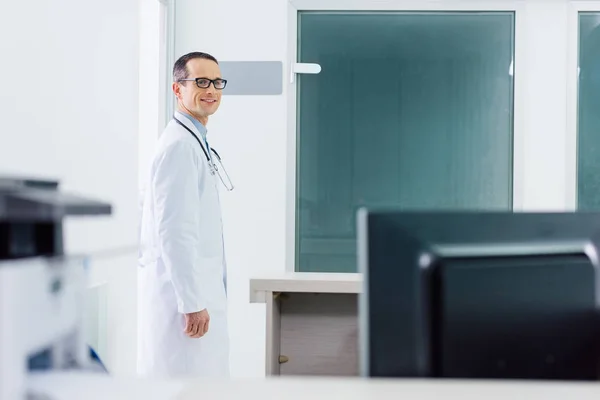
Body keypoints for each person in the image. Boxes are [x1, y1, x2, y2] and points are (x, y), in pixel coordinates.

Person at [137, 51, 231, 378]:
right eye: (201, 81)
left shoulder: (193, 141)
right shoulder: (179, 145)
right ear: (177, 89)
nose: (212, 90)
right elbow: (175, 230)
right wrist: (191, 301)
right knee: (186, 386)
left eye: (217, 82)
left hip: (195, 292)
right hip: (181, 302)